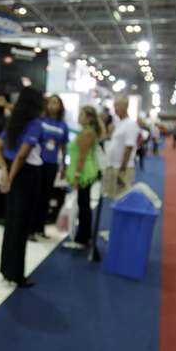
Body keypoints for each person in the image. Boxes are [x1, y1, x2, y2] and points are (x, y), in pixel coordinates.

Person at [0, 87, 44, 288]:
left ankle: (7, 270)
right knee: (20, 226)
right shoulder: (35, 124)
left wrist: (4, 169)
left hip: (14, 175)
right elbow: (22, 156)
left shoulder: (15, 122)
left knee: (11, 223)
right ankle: (17, 275)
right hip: (26, 176)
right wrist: (10, 177)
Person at [66, 106, 103, 250]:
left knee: (83, 205)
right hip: (85, 172)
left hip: (84, 174)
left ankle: (82, 238)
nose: (79, 116)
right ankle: (84, 237)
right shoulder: (86, 131)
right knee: (84, 204)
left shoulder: (87, 133)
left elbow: (82, 156)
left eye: (81, 114)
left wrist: (76, 176)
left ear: (89, 118)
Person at [33, 95, 68, 240]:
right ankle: (31, 229)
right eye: (51, 102)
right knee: (35, 196)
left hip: (52, 163)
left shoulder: (63, 125)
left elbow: (63, 146)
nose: (53, 105)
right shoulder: (41, 121)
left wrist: (63, 166)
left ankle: (40, 229)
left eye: (56, 103)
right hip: (38, 162)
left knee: (45, 197)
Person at [103, 97, 139, 199]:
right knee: (113, 196)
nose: (115, 109)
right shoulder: (119, 123)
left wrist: (122, 169)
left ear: (125, 107)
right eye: (115, 106)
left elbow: (129, 147)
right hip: (114, 165)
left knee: (122, 197)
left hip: (122, 167)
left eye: (117, 106)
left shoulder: (130, 124)